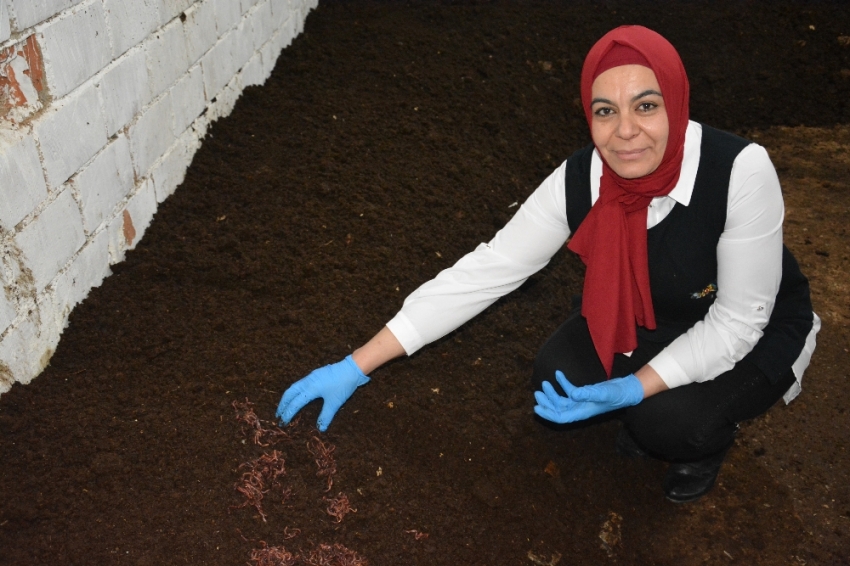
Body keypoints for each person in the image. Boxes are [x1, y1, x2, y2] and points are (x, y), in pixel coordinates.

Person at [276, 25, 820, 503]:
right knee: (554, 377)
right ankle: (648, 408)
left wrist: (637, 389)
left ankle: (701, 446)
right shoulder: (582, 178)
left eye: (646, 105)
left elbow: (738, 321)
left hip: (753, 326)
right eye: (605, 111)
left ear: (675, 102)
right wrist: (357, 363)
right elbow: (490, 268)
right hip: (646, 316)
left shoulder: (740, 171)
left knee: (670, 422)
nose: (625, 131)